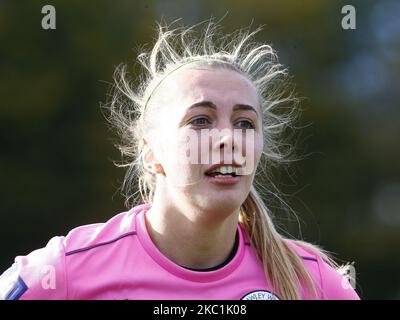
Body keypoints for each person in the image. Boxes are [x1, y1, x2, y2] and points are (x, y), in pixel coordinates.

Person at [0, 19, 360, 300]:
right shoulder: (64, 270)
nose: (227, 138)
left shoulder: (315, 283)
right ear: (151, 152)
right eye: (200, 120)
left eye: (245, 123)